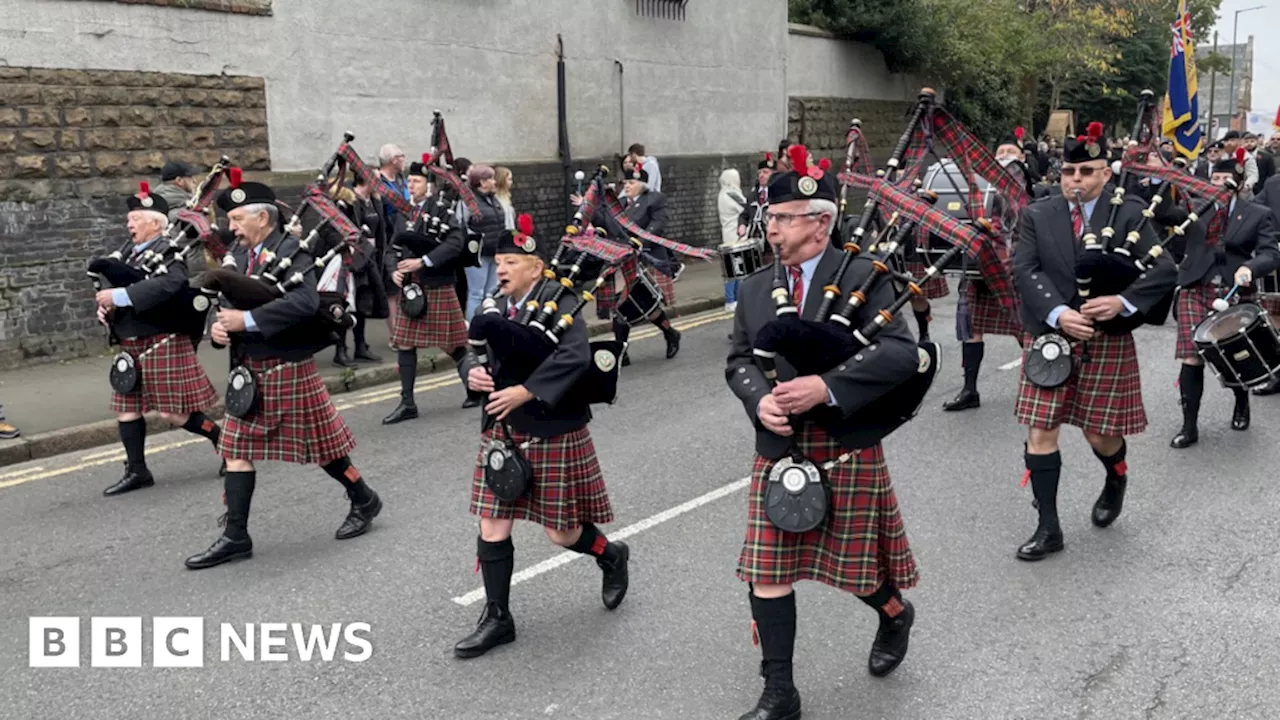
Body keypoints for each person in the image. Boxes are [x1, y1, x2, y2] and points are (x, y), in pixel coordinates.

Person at [727, 146, 920, 720]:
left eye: (785, 218)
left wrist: (825, 387)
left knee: (854, 569)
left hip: (842, 441)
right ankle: (780, 692)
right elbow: (739, 359)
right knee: (767, 569)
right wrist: (760, 400)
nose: (774, 228)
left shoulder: (863, 276)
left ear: (820, 221)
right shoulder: (759, 286)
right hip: (780, 446)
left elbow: (901, 354)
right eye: (772, 217)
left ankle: (892, 613)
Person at [186, 171, 383, 570]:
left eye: (238, 219)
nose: (232, 227)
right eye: (231, 220)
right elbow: (224, 303)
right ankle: (236, 536)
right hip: (248, 368)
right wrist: (220, 330)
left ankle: (364, 498)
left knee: (324, 449)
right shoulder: (238, 255)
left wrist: (248, 321)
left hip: (286, 365)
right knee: (235, 448)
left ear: (263, 217)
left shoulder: (294, 249)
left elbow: (305, 303)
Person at [453, 217, 629, 659]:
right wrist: (470, 373)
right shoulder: (495, 304)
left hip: (551, 425)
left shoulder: (562, 300)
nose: (503, 270)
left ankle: (611, 555)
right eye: (499, 262)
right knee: (492, 522)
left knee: (562, 533)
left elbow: (574, 357)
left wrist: (526, 390)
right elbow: (471, 352)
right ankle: (497, 617)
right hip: (501, 427)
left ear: (536, 267)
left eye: (512, 261)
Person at [1011, 122, 1177, 561]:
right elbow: (1025, 270)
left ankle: (1115, 474)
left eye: (1086, 171)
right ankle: (1048, 527)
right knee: (1040, 431)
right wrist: (1058, 313)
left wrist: (1122, 301)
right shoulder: (1037, 214)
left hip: (1105, 342)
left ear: (1106, 173)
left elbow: (1164, 271)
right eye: (1068, 171)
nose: (1076, 180)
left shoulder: (1129, 212)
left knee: (1100, 435)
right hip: (1050, 337)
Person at [93, 183, 225, 496]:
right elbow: (112, 290)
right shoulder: (126, 252)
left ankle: (222, 439)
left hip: (161, 339)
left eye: (136, 219)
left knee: (172, 413)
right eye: (129, 219)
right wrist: (105, 310)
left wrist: (121, 295)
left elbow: (171, 284)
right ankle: (137, 470)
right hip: (131, 340)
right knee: (127, 408)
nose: (129, 224)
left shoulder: (170, 252)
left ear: (155, 223)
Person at [1169, 149, 1280, 446]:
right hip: (1196, 288)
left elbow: (1271, 254)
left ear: (1239, 182)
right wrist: (1156, 177)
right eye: (1214, 178)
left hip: (1235, 290)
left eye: (1225, 178)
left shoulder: (1258, 213)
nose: (1218, 183)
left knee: (1234, 355)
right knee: (1192, 356)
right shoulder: (1195, 208)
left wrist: (1250, 267)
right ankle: (1189, 427)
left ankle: (1241, 401)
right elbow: (1166, 214)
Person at [381, 157, 473, 424]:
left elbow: (456, 242)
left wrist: (424, 261)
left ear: (429, 186)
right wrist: (393, 270)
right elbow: (391, 249)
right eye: (409, 180)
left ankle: (474, 389)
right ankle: (407, 403)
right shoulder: (402, 212)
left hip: (437, 283)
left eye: (417, 181)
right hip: (411, 287)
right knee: (404, 343)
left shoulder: (442, 210)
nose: (411, 185)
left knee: (453, 344)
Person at [944, 133, 1029, 411]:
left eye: (1010, 151)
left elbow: (1016, 217)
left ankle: (1042, 382)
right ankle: (970, 390)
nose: (1005, 154)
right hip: (977, 256)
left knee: (1023, 325)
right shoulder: (977, 182)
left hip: (1008, 260)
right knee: (971, 324)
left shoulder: (1022, 181)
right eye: (1000, 150)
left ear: (1022, 157)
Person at [585, 166, 682, 364]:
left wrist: (639, 242)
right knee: (620, 306)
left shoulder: (654, 199)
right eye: (625, 183)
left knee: (647, 303)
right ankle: (622, 349)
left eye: (631, 182)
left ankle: (670, 333)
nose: (627, 186)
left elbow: (658, 225)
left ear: (642, 185)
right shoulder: (619, 203)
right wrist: (590, 209)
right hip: (621, 260)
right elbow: (605, 224)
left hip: (646, 256)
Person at [717, 167, 748, 312]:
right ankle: (731, 299)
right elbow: (746, 207)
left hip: (728, 233)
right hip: (735, 234)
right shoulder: (731, 193)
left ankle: (733, 298)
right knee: (737, 268)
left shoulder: (722, 193)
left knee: (733, 268)